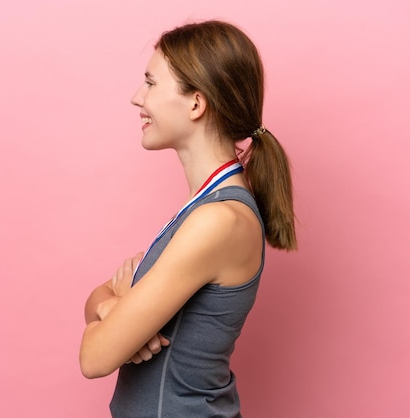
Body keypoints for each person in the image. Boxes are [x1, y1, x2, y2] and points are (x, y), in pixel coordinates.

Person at [79, 20, 297, 417]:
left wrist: (117, 315)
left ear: (196, 103)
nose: (136, 97)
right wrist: (113, 308)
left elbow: (93, 358)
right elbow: (96, 298)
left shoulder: (218, 221)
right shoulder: (204, 208)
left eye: (150, 83)